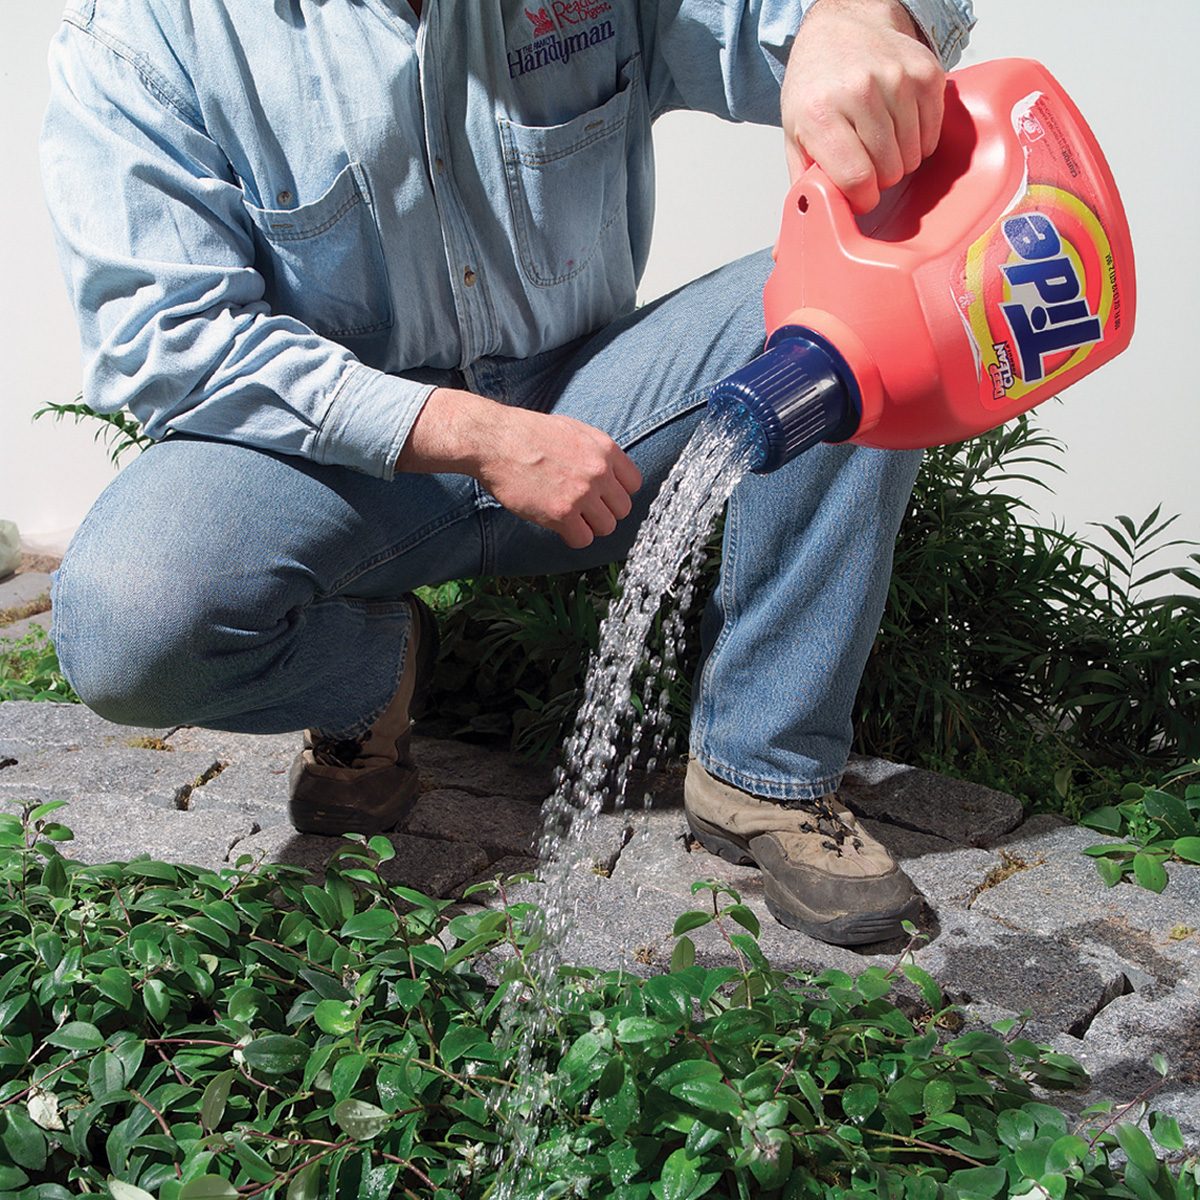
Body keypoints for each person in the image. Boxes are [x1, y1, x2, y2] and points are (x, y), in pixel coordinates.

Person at [40, 0, 975, 946]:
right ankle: (372, 674)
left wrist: (856, 17)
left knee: (867, 306)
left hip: (596, 417)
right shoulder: (146, 33)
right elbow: (167, 343)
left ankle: (762, 768)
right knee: (130, 623)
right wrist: (473, 434)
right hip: (341, 470)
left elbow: (779, 25)